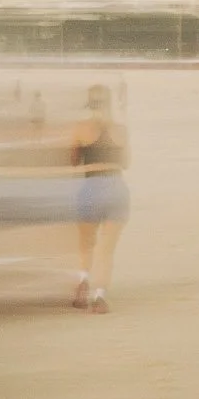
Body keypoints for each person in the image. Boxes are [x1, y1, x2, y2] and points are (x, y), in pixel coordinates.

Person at [69, 83, 128, 314]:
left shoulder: (81, 128)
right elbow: (126, 163)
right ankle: (100, 297)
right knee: (107, 249)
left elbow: (73, 160)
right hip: (116, 189)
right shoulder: (122, 130)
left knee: (86, 244)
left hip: (91, 188)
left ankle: (83, 280)